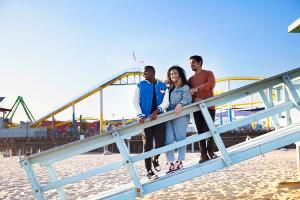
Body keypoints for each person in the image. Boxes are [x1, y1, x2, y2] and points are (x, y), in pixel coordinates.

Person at [133, 65, 169, 179]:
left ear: (152, 72)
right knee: (147, 146)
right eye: (143, 73)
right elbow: (135, 102)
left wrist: (157, 111)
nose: (144, 74)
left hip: (159, 118)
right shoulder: (140, 85)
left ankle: (156, 159)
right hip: (146, 120)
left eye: (145, 72)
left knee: (161, 142)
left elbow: (166, 102)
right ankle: (149, 171)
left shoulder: (163, 86)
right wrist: (140, 115)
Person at [188, 55, 217, 163]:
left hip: (209, 106)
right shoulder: (190, 79)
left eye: (193, 62)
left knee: (210, 129)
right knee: (200, 131)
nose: (191, 65)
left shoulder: (208, 73)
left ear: (200, 63)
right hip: (197, 108)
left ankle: (211, 152)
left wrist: (197, 88)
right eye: (190, 63)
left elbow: (211, 84)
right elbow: (188, 93)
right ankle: (203, 155)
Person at [165, 66, 192, 173]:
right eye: (171, 74)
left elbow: (188, 99)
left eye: (175, 73)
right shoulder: (168, 88)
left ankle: (179, 161)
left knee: (180, 138)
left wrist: (181, 104)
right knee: (169, 139)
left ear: (180, 74)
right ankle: (170, 162)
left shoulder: (184, 87)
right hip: (168, 116)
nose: (173, 76)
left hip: (180, 115)